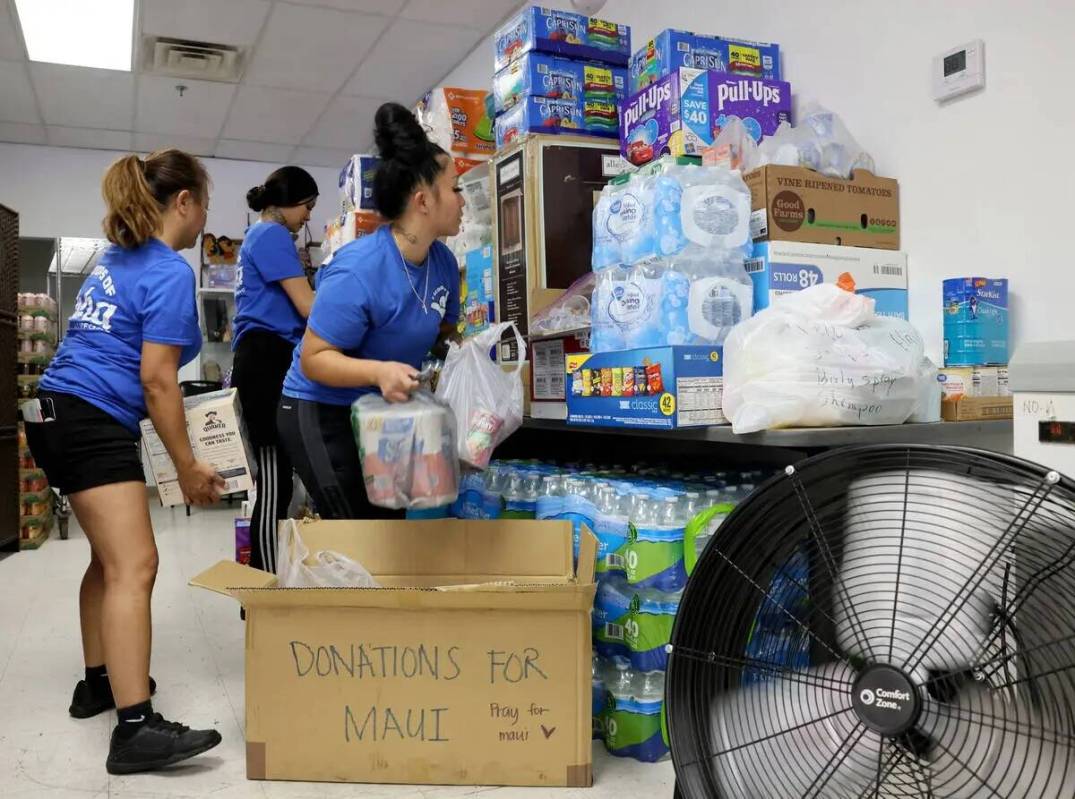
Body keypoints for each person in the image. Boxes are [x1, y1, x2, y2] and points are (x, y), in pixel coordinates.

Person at [23, 149, 224, 774]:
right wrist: (188, 465)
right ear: (184, 203)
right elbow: (159, 382)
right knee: (137, 565)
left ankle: (98, 684)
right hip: (89, 417)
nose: (204, 219)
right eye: (204, 204)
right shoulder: (164, 270)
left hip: (55, 412)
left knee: (107, 561)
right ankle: (135, 729)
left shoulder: (115, 259)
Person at [277, 102, 462, 519]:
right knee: (359, 531)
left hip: (382, 411)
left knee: (391, 524)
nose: (462, 200)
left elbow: (440, 332)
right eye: (455, 188)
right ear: (423, 201)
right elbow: (315, 358)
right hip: (322, 409)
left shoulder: (444, 265)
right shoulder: (359, 270)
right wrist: (380, 372)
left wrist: (471, 354)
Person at [231, 166, 317, 574]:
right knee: (274, 477)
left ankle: (267, 575)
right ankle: (261, 581)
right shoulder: (271, 236)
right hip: (266, 359)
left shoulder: (260, 236)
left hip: (267, 356)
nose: (308, 217)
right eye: (307, 207)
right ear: (285, 202)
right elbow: (308, 307)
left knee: (277, 477)